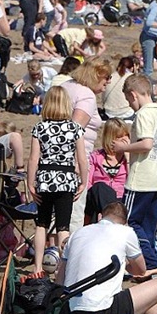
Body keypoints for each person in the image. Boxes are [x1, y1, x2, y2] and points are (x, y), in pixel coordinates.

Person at [113, 73, 157, 277]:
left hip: (141, 180)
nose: (129, 104)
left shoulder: (142, 115)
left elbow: (147, 143)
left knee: (129, 222)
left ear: (133, 95)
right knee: (148, 227)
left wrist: (124, 148)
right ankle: (148, 264)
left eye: (128, 100)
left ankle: (150, 262)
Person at [27, 86, 87, 277]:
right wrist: (83, 181)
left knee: (41, 224)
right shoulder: (74, 128)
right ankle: (64, 269)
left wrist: (30, 183)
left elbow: (33, 159)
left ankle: (37, 267)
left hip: (45, 178)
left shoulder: (40, 127)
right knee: (63, 227)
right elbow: (82, 159)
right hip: (66, 179)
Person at [64, 56, 112, 231]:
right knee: (73, 212)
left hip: (50, 156)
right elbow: (74, 131)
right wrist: (79, 162)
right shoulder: (87, 96)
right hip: (74, 159)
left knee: (54, 211)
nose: (108, 82)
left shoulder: (65, 86)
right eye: (107, 77)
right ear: (96, 74)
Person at [88, 118, 130, 199]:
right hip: (98, 199)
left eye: (126, 135)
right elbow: (89, 183)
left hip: (120, 199)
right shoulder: (95, 157)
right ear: (110, 138)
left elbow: (133, 181)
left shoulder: (130, 158)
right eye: (119, 137)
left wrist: (128, 157)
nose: (125, 139)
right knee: (100, 186)